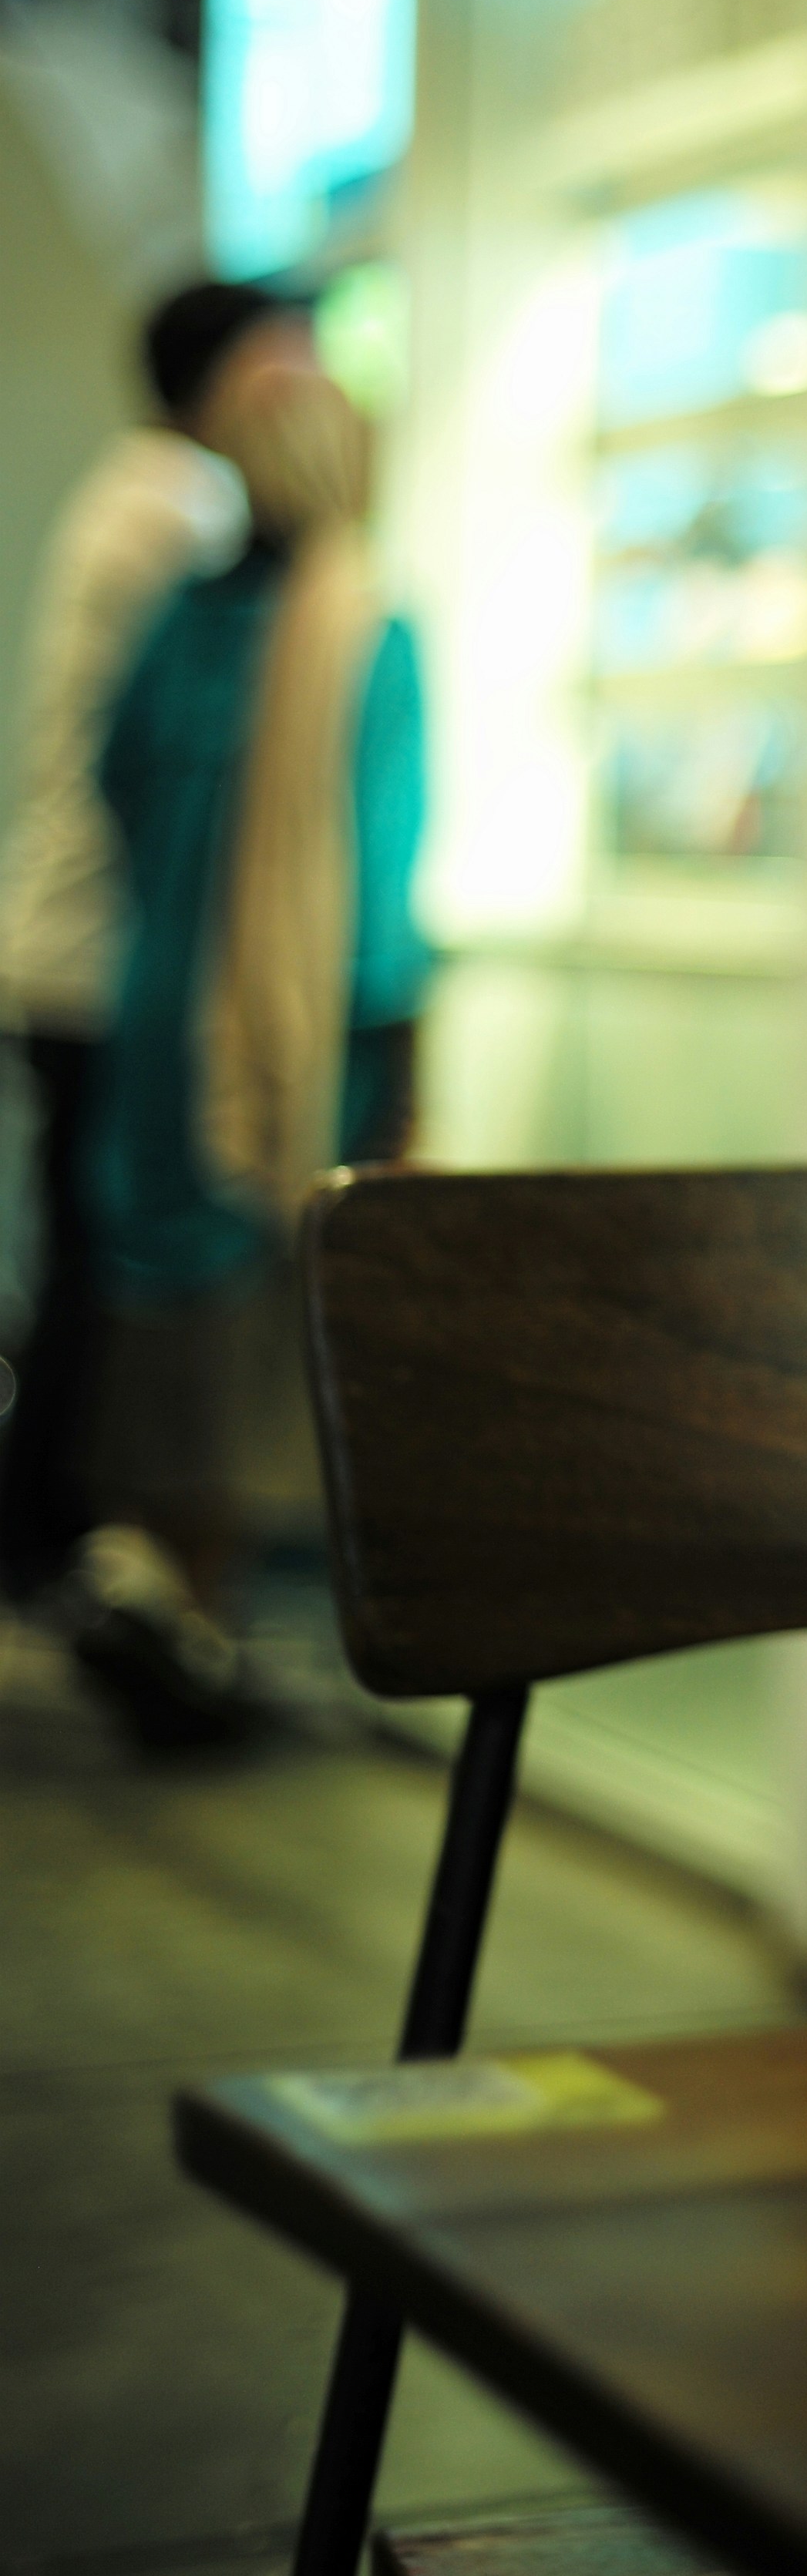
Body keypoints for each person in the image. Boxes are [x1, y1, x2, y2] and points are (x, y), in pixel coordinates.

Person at [76, 361, 429, 1741]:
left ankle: (151, 1580)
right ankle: (194, 1612)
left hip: (165, 1001)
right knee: (245, 1319)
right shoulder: (369, 630)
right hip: (298, 1034)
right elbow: (385, 861)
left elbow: (110, 778)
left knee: (157, 1292)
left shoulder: (187, 616)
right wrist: (396, 1054)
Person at [0, 280, 314, 1608]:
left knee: (87, 1262)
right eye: (283, 364)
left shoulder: (138, 499)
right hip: (103, 958)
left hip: (74, 948)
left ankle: (61, 1545)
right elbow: (162, 777)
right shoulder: (183, 515)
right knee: (117, 1279)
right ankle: (76, 1554)